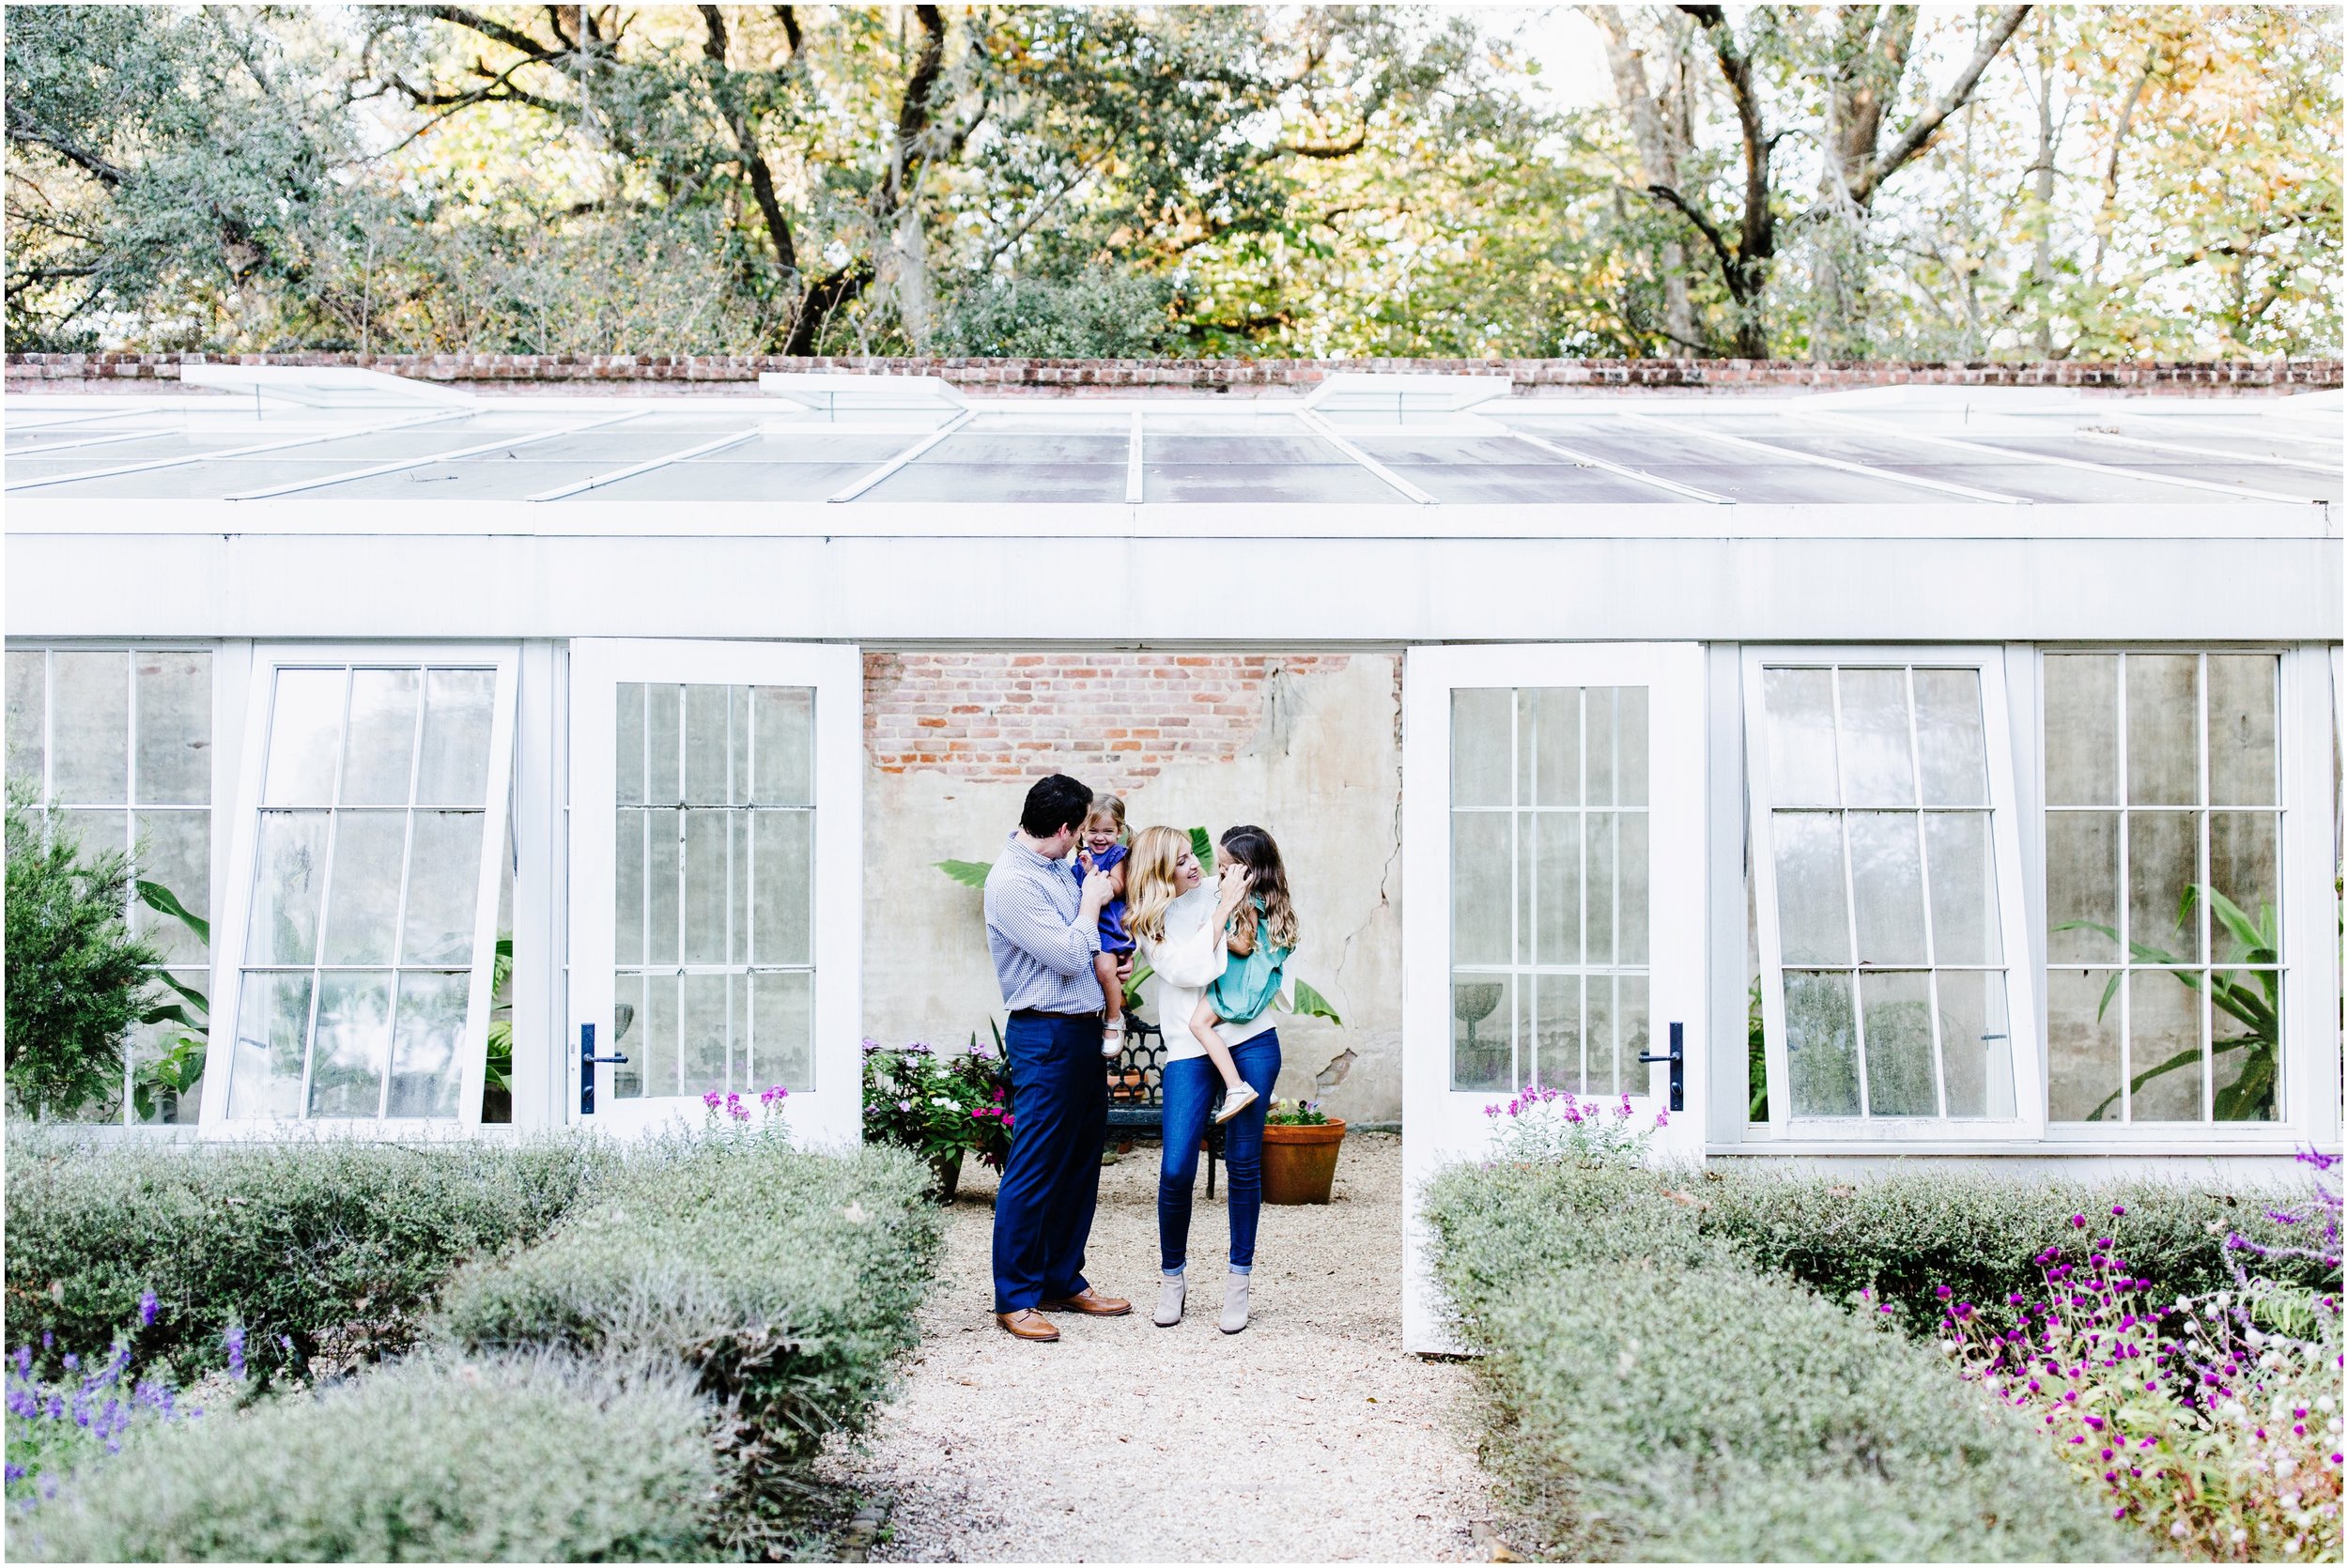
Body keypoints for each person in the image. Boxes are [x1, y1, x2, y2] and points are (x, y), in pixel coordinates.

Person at [1122, 824, 1293, 1335]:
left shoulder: (1222, 887)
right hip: (1189, 1048)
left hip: (1254, 1039)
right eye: (1179, 861)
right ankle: (1172, 1278)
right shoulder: (1148, 924)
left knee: (1243, 1165)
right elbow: (1188, 970)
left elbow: (1263, 932)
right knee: (1176, 1168)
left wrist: (1233, 901)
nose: (1194, 865)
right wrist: (1222, 912)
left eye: (1191, 855)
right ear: (1159, 873)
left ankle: (1238, 1283)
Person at [981, 774, 1134, 1343]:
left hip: (1081, 1030)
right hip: (1042, 1035)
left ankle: (1060, 1278)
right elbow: (1070, 954)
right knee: (1035, 1164)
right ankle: (1016, 1297)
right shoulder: (1013, 883)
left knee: (1077, 1161)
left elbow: (1089, 949)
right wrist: (1093, 902)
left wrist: (1112, 966)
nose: (1080, 844)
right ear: (1067, 827)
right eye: (1079, 833)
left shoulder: (1052, 867)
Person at [1182, 826, 1298, 1124]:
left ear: (1246, 871)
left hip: (1237, 987)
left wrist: (1212, 934)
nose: (1218, 872)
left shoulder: (1245, 901)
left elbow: (1244, 946)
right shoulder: (1271, 897)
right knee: (1220, 1032)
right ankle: (1263, 1092)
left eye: (1225, 867)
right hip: (1255, 988)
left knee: (1199, 1024)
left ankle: (1236, 1087)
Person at [1074, 794, 1135, 1059]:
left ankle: (1113, 1017)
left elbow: (1117, 887)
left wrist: (1098, 875)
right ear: (1083, 830)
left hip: (1107, 926)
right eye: (1093, 831)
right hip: (1085, 924)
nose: (1100, 838)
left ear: (1119, 831)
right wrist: (1087, 870)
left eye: (1108, 831)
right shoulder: (1081, 857)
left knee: (1105, 967)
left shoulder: (1117, 855)